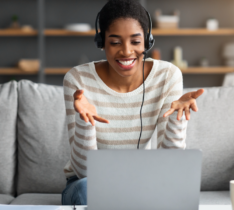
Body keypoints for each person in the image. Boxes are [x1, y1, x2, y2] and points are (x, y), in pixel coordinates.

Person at [61, 0, 204, 205]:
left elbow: (169, 167)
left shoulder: (167, 75)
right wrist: (85, 122)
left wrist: (176, 119)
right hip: (85, 184)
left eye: (135, 42)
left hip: (141, 179)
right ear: (101, 42)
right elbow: (84, 172)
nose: (127, 51)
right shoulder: (78, 79)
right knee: (87, 190)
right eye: (115, 42)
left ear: (148, 41)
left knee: (175, 193)